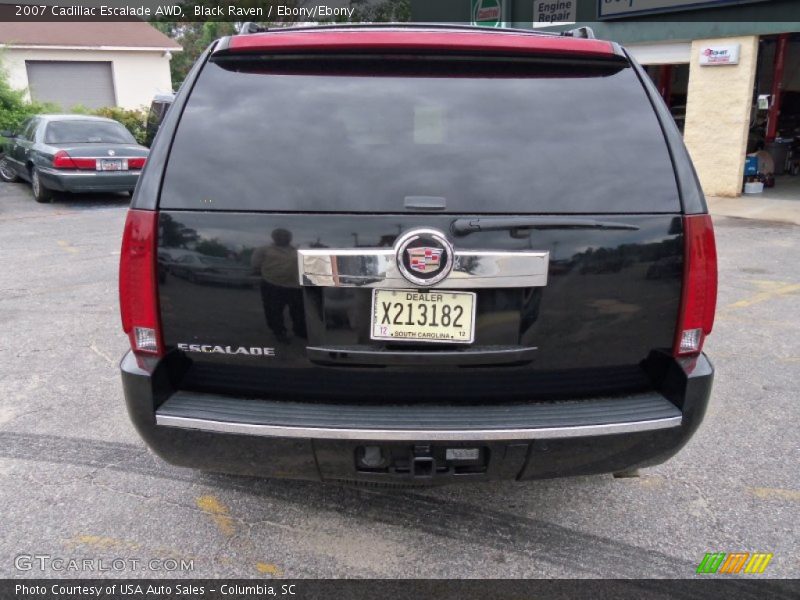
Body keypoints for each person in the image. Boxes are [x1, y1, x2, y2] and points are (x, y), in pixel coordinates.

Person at [250, 229, 307, 343]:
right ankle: (279, 332)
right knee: (274, 310)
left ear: (290, 238)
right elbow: (255, 265)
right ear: (274, 237)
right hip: (272, 284)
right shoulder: (264, 250)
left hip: (295, 286)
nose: (283, 237)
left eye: (286, 235)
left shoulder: (296, 251)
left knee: (299, 311)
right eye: (279, 235)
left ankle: (300, 331)